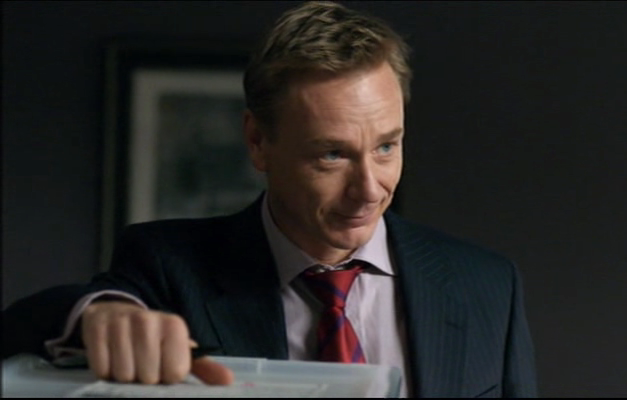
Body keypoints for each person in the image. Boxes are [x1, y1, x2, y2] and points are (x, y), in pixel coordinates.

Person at [2, 1, 537, 397]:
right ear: (258, 141)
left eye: (385, 147)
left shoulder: (488, 285)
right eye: (332, 155)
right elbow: (21, 333)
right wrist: (98, 314)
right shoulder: (167, 265)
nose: (370, 188)